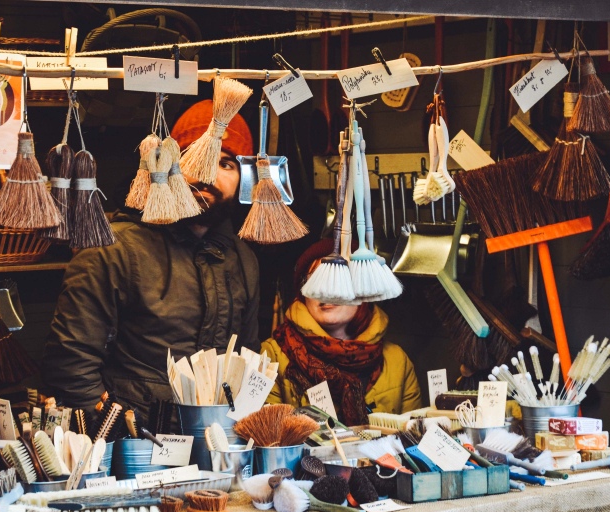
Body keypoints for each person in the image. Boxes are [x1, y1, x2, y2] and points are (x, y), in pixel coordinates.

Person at [42, 100, 260, 417]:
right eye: (193, 157)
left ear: (244, 178)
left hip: (215, 442)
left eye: (226, 164)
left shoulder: (242, 259)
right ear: (167, 164)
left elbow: (247, 358)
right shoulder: (113, 250)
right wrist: (116, 434)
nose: (207, 174)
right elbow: (70, 364)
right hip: (134, 445)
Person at [263, 239, 422, 425]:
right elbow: (269, 441)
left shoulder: (397, 362)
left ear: (364, 291)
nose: (327, 290)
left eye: (341, 278)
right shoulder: (272, 357)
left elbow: (414, 439)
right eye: (315, 279)